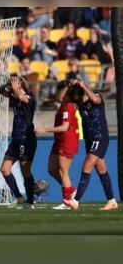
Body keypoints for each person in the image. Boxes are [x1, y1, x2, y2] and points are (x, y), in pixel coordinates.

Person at [60, 80, 118, 210]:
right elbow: (60, 98)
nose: (77, 101)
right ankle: (112, 201)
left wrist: (83, 86)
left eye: (78, 98)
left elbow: (96, 100)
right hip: (89, 139)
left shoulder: (95, 97)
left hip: (100, 137)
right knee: (101, 169)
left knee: (86, 167)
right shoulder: (78, 101)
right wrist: (69, 86)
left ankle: (75, 201)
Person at [35, 81, 81, 210]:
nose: (57, 94)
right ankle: (71, 190)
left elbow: (65, 127)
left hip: (67, 140)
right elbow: (58, 98)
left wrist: (45, 129)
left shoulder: (68, 106)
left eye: (60, 90)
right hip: (59, 140)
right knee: (52, 169)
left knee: (63, 171)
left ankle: (67, 200)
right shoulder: (63, 105)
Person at [0, 76, 37, 209]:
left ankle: (30, 201)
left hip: (27, 139)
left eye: (15, 82)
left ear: (21, 85)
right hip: (16, 139)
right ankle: (19, 197)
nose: (12, 84)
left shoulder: (29, 97)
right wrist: (7, 85)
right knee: (4, 169)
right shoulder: (14, 97)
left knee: (26, 171)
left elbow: (22, 98)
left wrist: (15, 88)